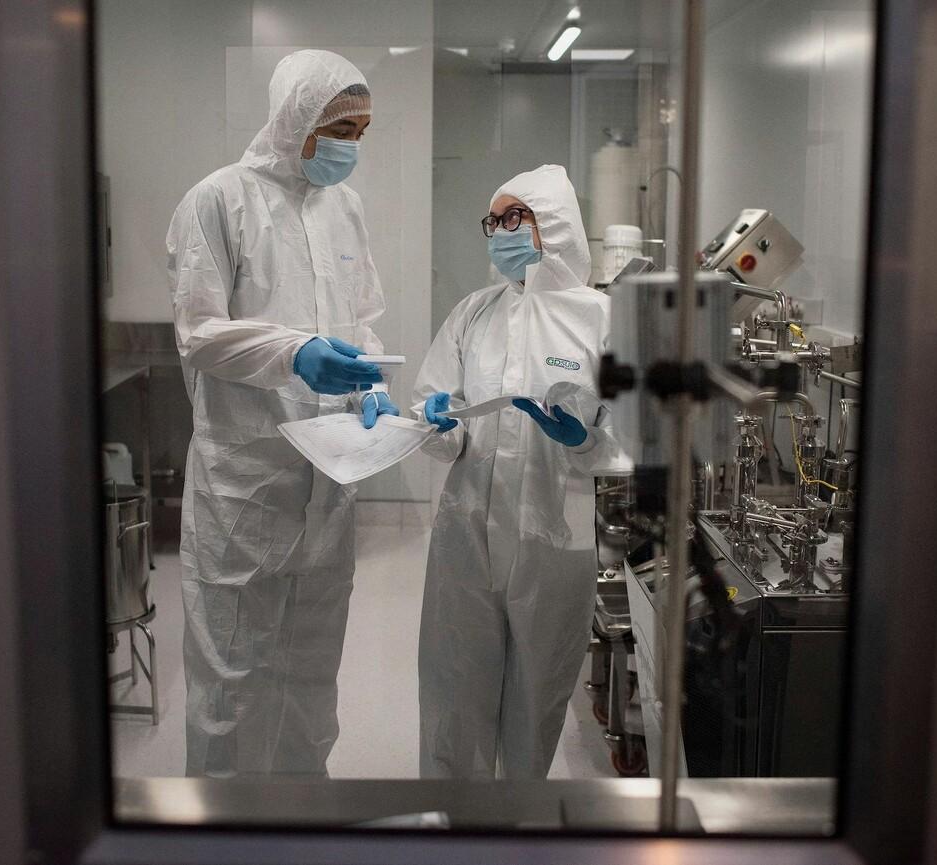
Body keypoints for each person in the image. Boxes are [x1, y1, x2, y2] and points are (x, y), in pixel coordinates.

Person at [165, 49, 398, 778]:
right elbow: (198, 333)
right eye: (338, 126)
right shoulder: (217, 200)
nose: (349, 145)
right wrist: (294, 353)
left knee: (310, 680)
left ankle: (304, 820)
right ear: (295, 115)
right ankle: (226, 832)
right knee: (232, 684)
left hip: (328, 487)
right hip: (247, 486)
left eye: (361, 130)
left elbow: (365, 318)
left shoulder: (346, 209)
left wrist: (371, 382)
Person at [412, 164, 621, 779]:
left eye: (514, 218)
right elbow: (434, 402)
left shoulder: (600, 319)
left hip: (551, 532)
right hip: (466, 529)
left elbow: (628, 428)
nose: (500, 232)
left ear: (550, 224)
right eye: (493, 221)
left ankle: (520, 815)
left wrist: (585, 440)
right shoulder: (473, 313)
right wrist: (436, 423)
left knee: (537, 687)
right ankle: (456, 819)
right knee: (456, 681)